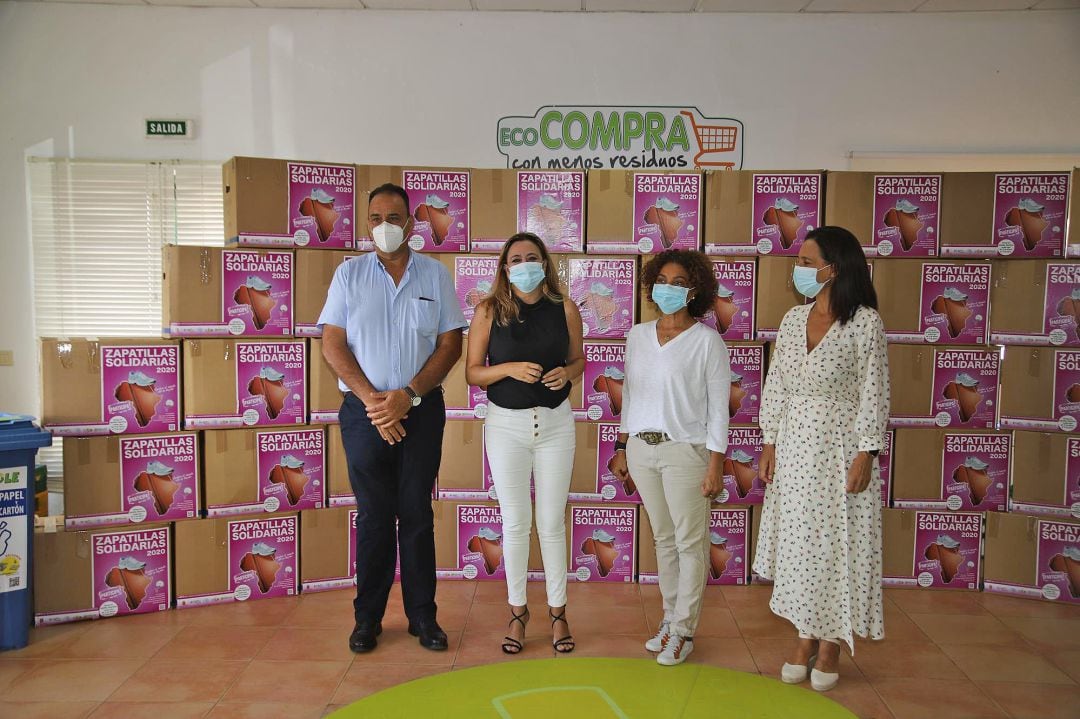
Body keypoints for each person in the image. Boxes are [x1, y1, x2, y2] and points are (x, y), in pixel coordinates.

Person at [318, 183, 466, 654]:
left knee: (417, 515)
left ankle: (424, 618)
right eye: (377, 217)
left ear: (412, 222)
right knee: (375, 517)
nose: (386, 225)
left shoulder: (435, 276)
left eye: (396, 216)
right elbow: (333, 343)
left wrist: (407, 396)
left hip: (421, 412)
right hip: (364, 416)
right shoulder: (349, 276)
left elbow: (450, 345)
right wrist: (374, 402)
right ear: (366, 223)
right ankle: (368, 620)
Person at [752, 226, 889, 692]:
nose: (801, 270)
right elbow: (777, 386)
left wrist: (867, 453)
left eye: (809, 262)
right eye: (801, 262)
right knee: (800, 548)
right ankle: (804, 636)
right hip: (794, 449)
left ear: (836, 267)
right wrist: (769, 443)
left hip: (841, 449)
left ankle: (831, 643)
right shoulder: (792, 320)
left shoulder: (865, 322)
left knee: (837, 545)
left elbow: (875, 392)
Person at [610, 249, 731, 667]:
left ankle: (684, 631)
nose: (668, 288)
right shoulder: (638, 336)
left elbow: (719, 408)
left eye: (679, 282)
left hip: (686, 451)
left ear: (695, 290)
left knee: (689, 543)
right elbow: (630, 394)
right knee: (664, 539)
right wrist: (623, 446)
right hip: (643, 450)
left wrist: (715, 462)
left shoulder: (707, 341)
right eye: (662, 279)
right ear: (650, 284)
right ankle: (669, 619)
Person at [465, 232, 584, 655]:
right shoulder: (487, 311)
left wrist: (566, 374)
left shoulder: (565, 308)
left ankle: (558, 612)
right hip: (506, 428)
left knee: (551, 524)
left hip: (556, 425)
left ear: (545, 263)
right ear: (504, 267)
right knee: (515, 523)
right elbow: (472, 373)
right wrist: (509, 369)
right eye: (515, 258)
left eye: (532, 257)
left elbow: (579, 360)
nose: (524, 264)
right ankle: (518, 613)